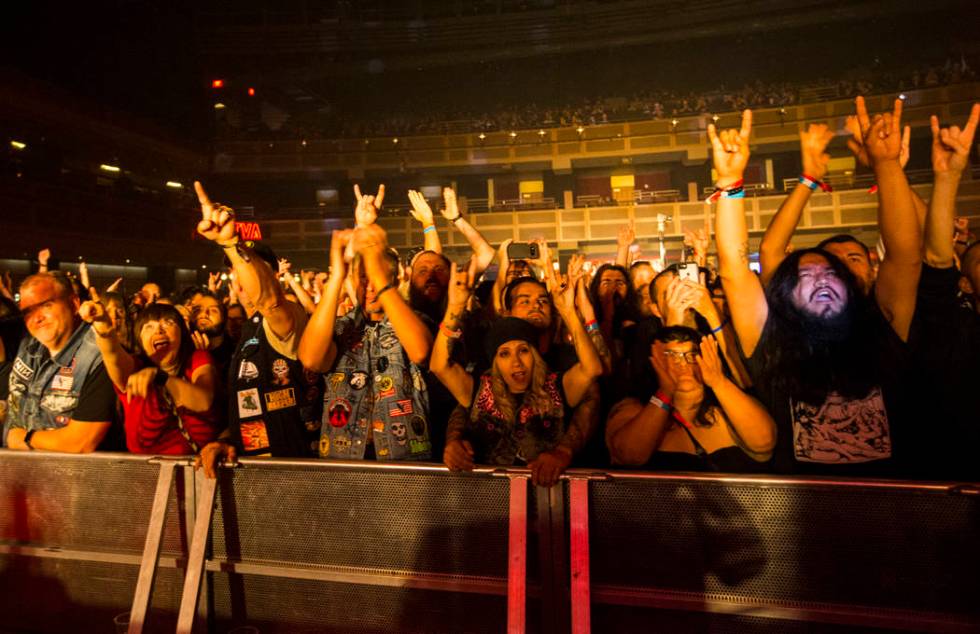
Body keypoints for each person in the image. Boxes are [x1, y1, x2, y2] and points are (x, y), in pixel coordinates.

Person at [712, 103, 922, 477]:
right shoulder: (770, 343)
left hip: (893, 512)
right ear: (784, 296)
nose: (821, 278)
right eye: (806, 276)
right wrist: (730, 185)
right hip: (805, 517)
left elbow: (905, 256)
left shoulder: (883, 330)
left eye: (831, 273)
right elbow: (733, 269)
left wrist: (887, 166)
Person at [192, 182, 323, 477]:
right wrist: (226, 440)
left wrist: (231, 245)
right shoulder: (248, 329)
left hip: (292, 472)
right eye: (235, 271)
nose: (240, 278)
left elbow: (270, 300)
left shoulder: (287, 316)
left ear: (274, 274)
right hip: (253, 470)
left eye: (247, 268)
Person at [433, 261, 603, 486]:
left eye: (543, 300)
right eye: (525, 301)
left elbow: (593, 376)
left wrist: (569, 310)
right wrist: (454, 441)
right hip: (489, 493)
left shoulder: (563, 370)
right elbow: (460, 399)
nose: (536, 306)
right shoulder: (484, 376)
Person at [299, 191, 434, 461]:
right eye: (363, 278)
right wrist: (338, 274)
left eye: (377, 277)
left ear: (395, 281)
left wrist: (374, 265)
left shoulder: (414, 320)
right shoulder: (342, 327)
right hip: (344, 459)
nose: (370, 286)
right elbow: (312, 359)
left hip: (404, 459)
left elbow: (420, 351)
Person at [606, 326, 775, 471]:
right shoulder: (632, 409)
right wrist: (665, 393)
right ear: (654, 364)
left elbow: (765, 443)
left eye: (691, 355)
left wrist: (719, 381)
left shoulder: (727, 412)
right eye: (671, 356)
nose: (683, 365)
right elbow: (629, 456)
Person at [79, 292, 221, 455]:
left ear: (182, 332)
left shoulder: (198, 359)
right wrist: (103, 327)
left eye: (168, 323)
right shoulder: (134, 367)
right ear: (139, 338)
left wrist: (161, 377)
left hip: (197, 471)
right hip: (146, 473)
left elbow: (204, 401)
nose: (159, 330)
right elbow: (113, 355)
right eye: (149, 326)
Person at [4, 272, 119, 452]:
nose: (37, 317)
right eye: (28, 312)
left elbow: (82, 441)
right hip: (17, 474)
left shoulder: (97, 355)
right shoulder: (27, 343)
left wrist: (26, 438)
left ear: (74, 304)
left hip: (71, 477)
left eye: (46, 305)